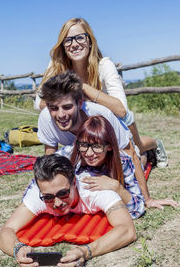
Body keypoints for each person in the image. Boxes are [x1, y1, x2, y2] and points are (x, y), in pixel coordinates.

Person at [34, 17, 168, 169]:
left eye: (80, 37)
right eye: (68, 40)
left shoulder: (104, 65)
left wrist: (81, 87)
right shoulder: (56, 66)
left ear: (89, 40)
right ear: (63, 45)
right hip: (78, 124)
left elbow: (121, 109)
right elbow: (39, 103)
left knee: (137, 149)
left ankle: (155, 144)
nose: (74, 44)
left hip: (114, 122)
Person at [37, 71, 177, 210]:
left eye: (67, 107)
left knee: (137, 157)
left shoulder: (101, 115)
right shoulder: (46, 118)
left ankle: (154, 145)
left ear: (79, 103)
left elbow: (130, 154)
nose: (61, 115)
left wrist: (147, 199)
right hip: (84, 152)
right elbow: (50, 155)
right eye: (54, 108)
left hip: (115, 147)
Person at [0, 154, 136, 267]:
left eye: (63, 193)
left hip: (111, 162)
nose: (57, 203)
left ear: (74, 183)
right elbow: (6, 231)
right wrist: (17, 249)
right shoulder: (37, 195)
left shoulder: (95, 192)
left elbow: (127, 230)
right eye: (48, 197)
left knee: (140, 156)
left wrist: (85, 252)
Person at [58, 115, 145, 219]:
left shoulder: (123, 161)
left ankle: (152, 147)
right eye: (84, 145)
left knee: (142, 157)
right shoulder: (69, 153)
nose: (89, 153)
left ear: (109, 146)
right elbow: (42, 171)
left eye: (96, 146)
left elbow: (138, 207)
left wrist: (117, 187)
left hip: (132, 153)